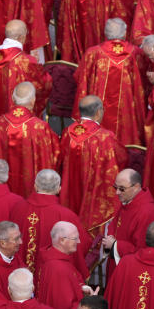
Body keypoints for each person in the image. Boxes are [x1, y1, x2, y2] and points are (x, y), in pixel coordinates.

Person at [0, 83, 61, 198]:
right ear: (33, 100)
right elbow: (54, 156)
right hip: (30, 192)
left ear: (13, 99)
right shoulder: (40, 127)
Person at [74, 19, 146, 146]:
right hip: (127, 109)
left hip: (98, 108)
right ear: (125, 33)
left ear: (106, 33)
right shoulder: (136, 53)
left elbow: (80, 78)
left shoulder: (93, 53)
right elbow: (145, 84)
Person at [59, 96, 127, 231]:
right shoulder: (105, 137)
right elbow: (122, 159)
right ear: (98, 112)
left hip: (70, 192)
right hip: (95, 195)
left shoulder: (67, 133)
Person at [8, 169, 88, 279]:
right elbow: (80, 247)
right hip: (51, 279)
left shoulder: (18, 208)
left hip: (19, 279)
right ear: (59, 189)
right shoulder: (67, 216)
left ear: (35, 186)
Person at [0, 21, 50, 128]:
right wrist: (37, 65)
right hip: (18, 121)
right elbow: (44, 84)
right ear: (21, 37)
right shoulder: (26, 61)